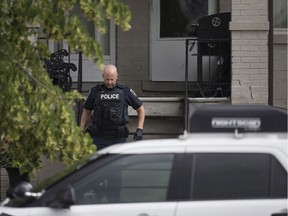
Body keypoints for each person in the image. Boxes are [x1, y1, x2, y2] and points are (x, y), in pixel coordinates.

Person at [80, 64, 145, 150]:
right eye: (107, 79)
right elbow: (86, 111)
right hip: (98, 137)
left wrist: (140, 129)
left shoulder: (125, 91)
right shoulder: (95, 91)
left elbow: (141, 109)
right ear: (103, 76)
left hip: (117, 138)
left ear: (117, 76)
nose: (110, 82)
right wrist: (81, 130)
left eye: (112, 79)